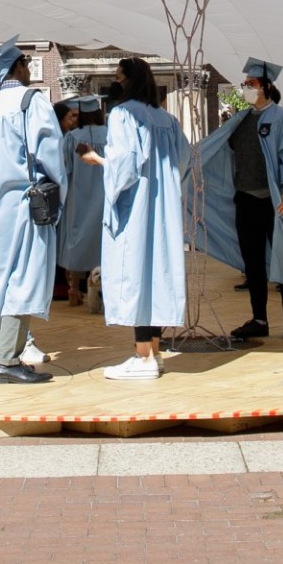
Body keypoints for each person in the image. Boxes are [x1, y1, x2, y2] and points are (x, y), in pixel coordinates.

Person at [190, 57, 283, 341]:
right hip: (245, 199)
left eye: (252, 84)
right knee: (253, 262)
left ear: (267, 86)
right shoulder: (241, 120)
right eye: (245, 84)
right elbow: (221, 150)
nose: (247, 88)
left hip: (275, 201)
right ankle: (259, 318)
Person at [0, 37, 65, 385]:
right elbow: (51, 154)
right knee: (23, 280)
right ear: (21, 67)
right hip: (26, 206)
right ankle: (9, 360)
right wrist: (57, 193)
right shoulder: (30, 102)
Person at [83, 58, 186, 380]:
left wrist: (98, 159)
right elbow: (182, 160)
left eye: (118, 77)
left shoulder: (124, 114)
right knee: (155, 275)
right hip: (162, 208)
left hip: (137, 207)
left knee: (136, 274)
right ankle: (154, 352)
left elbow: (125, 164)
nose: (116, 82)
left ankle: (142, 357)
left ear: (128, 80)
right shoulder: (167, 119)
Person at [57, 96, 106, 305]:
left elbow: (64, 167)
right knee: (103, 240)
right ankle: (105, 290)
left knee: (76, 239)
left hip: (78, 194)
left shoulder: (72, 137)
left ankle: (74, 290)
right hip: (104, 195)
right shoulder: (111, 135)